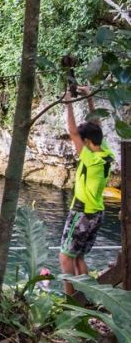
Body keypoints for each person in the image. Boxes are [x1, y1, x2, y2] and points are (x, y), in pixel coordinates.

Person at [60, 87, 114, 297]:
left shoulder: (90, 158)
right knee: (78, 257)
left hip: (81, 214)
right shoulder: (105, 153)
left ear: (88, 143)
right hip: (96, 213)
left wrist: (68, 102)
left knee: (65, 257)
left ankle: (69, 298)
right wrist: (89, 96)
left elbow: (72, 130)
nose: (77, 145)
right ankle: (83, 297)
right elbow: (97, 126)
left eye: (81, 143)